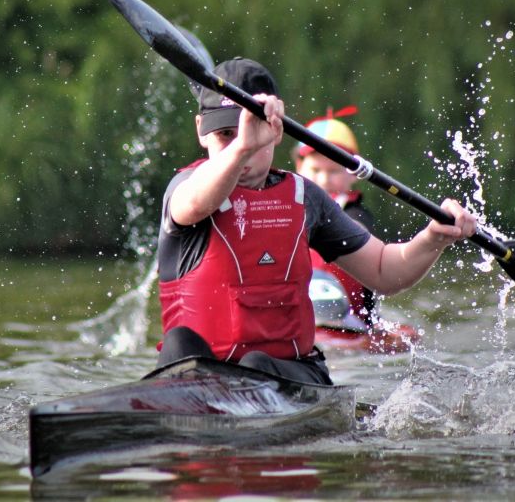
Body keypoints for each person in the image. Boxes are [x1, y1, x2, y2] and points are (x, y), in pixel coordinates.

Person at [157, 58, 476, 385]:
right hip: (198, 380)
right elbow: (195, 204)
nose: (244, 146)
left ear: (276, 131)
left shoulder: (305, 198)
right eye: (226, 134)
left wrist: (434, 237)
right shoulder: (185, 189)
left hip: (289, 374)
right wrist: (242, 146)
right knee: (180, 345)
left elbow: (383, 271)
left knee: (256, 364)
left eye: (252, 134)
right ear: (201, 130)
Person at [294, 108, 379, 327]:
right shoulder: (285, 209)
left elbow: (358, 235)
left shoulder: (356, 214)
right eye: (315, 169)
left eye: (333, 171)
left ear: (352, 174)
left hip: (351, 324)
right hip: (301, 318)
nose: (323, 179)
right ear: (299, 167)